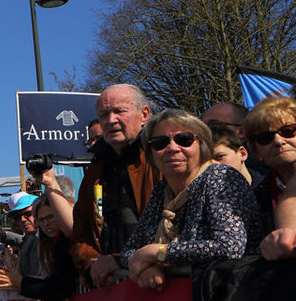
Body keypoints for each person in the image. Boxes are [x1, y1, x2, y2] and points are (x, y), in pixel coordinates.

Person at [122, 109, 263, 290]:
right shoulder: (161, 192)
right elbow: (131, 251)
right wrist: (147, 267)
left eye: (184, 140)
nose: (172, 148)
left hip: (232, 299)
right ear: (150, 153)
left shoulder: (221, 178)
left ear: (202, 145)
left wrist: (160, 254)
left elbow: (229, 246)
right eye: (160, 143)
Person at [70, 84, 162, 289]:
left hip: (159, 282)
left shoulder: (162, 158)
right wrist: (93, 264)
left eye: (120, 111)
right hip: (110, 289)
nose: (111, 120)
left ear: (144, 114)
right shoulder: (95, 171)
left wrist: (120, 260)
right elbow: (81, 231)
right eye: (104, 114)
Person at [245, 96, 296, 260]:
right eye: (265, 138)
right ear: (256, 151)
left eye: (288, 131)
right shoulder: (255, 199)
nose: (279, 141)